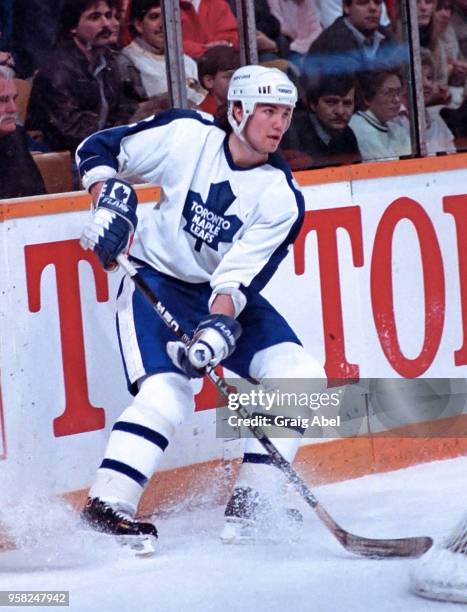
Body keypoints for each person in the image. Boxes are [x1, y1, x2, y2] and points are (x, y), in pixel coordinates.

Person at [76, 65, 325, 549]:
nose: (279, 124)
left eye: (286, 113)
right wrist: (107, 198)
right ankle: (107, 505)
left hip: (214, 294)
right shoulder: (186, 136)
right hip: (154, 279)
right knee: (169, 394)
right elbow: (97, 149)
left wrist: (217, 328)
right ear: (237, 110)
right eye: (268, 111)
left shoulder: (281, 198)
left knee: (299, 374)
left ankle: (254, 504)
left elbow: (236, 281)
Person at [26, 0, 139, 154]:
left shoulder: (111, 61)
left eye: (108, 15)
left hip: (105, 147)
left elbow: (127, 108)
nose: (106, 24)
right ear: (73, 27)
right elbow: (72, 132)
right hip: (68, 157)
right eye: (95, 17)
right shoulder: (56, 71)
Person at [117, 0, 204, 105]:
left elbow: (202, 100)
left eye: (169, 16)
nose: (163, 24)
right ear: (138, 25)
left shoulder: (188, 62)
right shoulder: (127, 61)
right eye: (154, 17)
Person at [281, 73, 361, 169]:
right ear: (313, 104)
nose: (340, 111)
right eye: (331, 102)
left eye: (347, 103)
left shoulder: (348, 135)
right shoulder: (291, 133)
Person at [303, 0, 401, 79]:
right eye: (363, 2)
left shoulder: (388, 39)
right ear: (346, 7)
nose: (373, 8)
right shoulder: (332, 43)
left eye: (378, 2)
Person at [0, 66, 46, 199]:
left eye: (14, 98)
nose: (13, 108)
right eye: (2, 100)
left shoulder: (16, 136)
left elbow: (37, 198)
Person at [349, 68, 411, 160]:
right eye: (389, 93)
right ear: (367, 97)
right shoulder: (356, 128)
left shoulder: (397, 130)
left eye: (398, 93)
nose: (397, 100)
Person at [197, 45, 240, 114]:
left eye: (241, 76)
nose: (238, 81)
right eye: (229, 76)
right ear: (209, 81)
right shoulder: (202, 116)